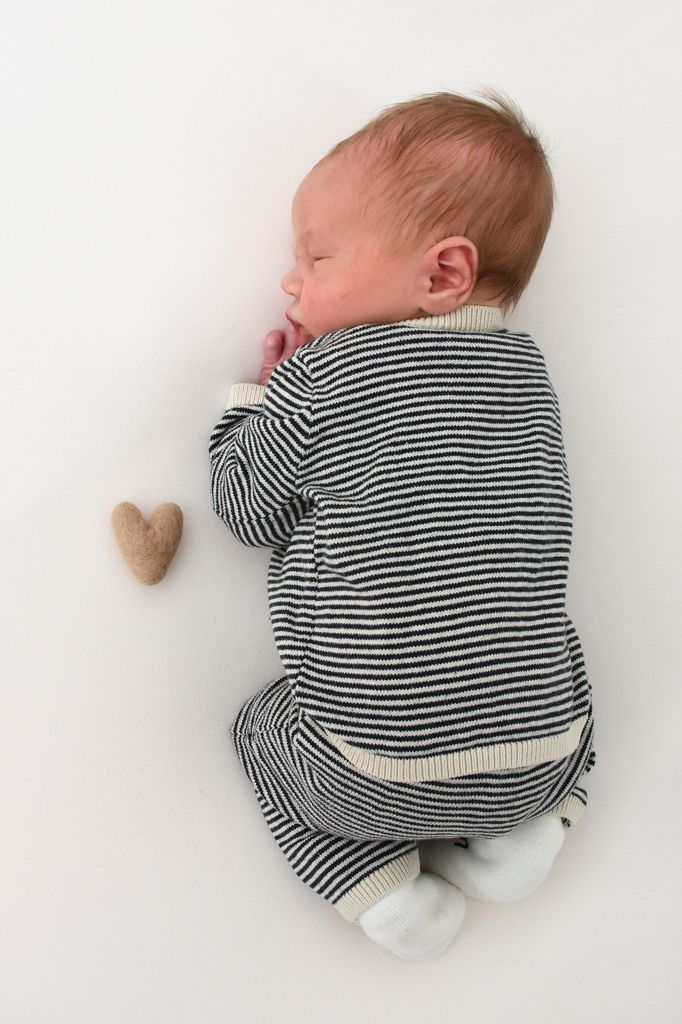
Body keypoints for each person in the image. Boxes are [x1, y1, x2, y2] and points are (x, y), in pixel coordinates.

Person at [208, 88, 597, 961]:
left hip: (363, 772)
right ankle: (526, 835)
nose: (290, 281)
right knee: (558, 659)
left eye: (317, 255)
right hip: (539, 756)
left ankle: (386, 895)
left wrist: (258, 403)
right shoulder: (529, 376)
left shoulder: (326, 375)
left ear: (442, 275)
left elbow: (246, 510)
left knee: (260, 729)